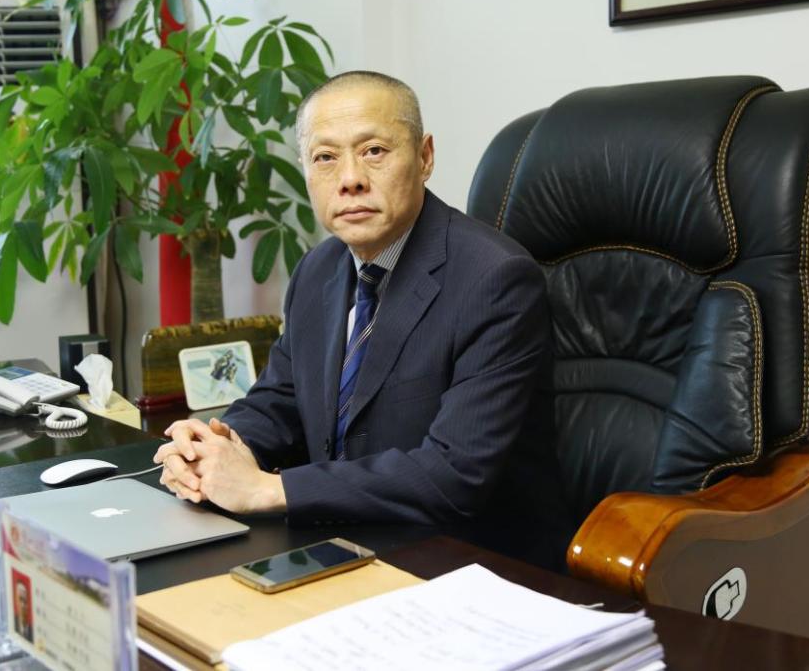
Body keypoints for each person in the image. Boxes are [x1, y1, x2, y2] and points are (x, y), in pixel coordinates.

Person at [155, 71, 551, 526]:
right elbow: (281, 400)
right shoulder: (318, 269)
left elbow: (455, 474)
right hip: (341, 533)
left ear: (425, 157)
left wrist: (267, 489)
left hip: (456, 551)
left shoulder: (495, 279)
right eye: (325, 157)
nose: (349, 180)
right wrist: (213, 448)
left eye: (374, 151)